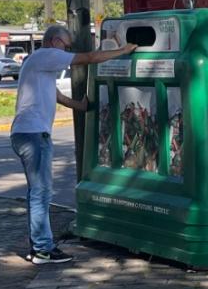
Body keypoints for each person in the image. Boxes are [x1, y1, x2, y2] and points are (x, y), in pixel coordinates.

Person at [10, 23, 135, 264]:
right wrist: (124, 50)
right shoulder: (46, 55)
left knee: (37, 192)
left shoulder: (37, 64)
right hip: (34, 135)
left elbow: (56, 95)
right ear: (54, 42)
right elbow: (89, 58)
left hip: (25, 134)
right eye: (66, 46)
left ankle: (38, 246)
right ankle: (43, 250)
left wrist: (81, 106)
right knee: (41, 193)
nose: (66, 51)